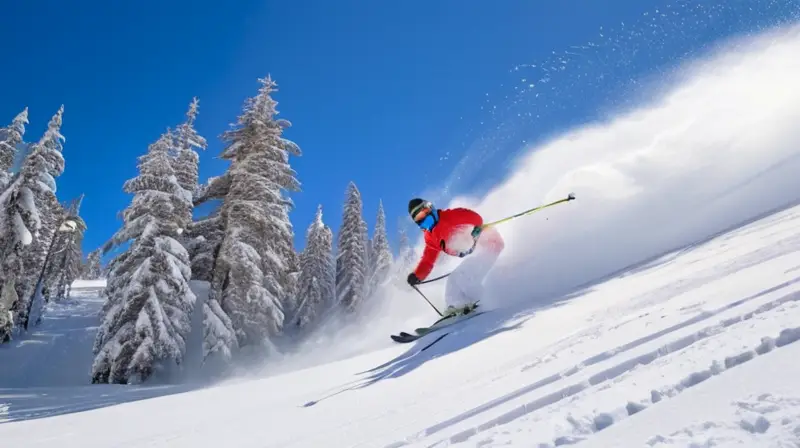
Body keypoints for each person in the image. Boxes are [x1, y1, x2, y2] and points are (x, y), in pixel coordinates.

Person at [406, 198, 504, 317]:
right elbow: (427, 260)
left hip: (490, 245)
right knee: (452, 281)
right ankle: (455, 309)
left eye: (424, 212)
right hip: (477, 253)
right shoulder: (431, 237)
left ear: (430, 208)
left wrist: (476, 228)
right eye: (418, 218)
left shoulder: (450, 216)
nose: (423, 218)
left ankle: (482, 301)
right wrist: (417, 275)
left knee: (462, 276)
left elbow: (476, 218)